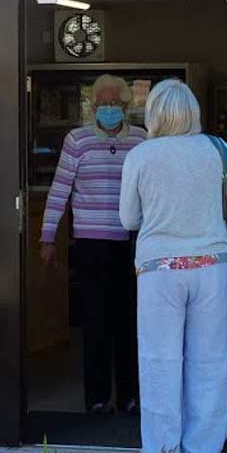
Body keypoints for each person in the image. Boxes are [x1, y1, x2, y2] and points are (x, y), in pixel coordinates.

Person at [119, 79, 227, 453]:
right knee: (210, 364)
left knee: (159, 363)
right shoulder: (217, 150)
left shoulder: (140, 155)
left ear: (153, 113)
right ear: (194, 111)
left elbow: (128, 219)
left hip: (159, 269)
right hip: (211, 266)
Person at [39, 74, 148, 415]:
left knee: (130, 322)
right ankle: (98, 399)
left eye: (114, 104)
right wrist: (47, 236)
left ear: (127, 107)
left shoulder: (143, 140)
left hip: (131, 243)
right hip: (90, 243)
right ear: (93, 107)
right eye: (102, 104)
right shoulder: (78, 140)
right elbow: (60, 190)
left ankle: (131, 396)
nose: (108, 110)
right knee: (96, 322)